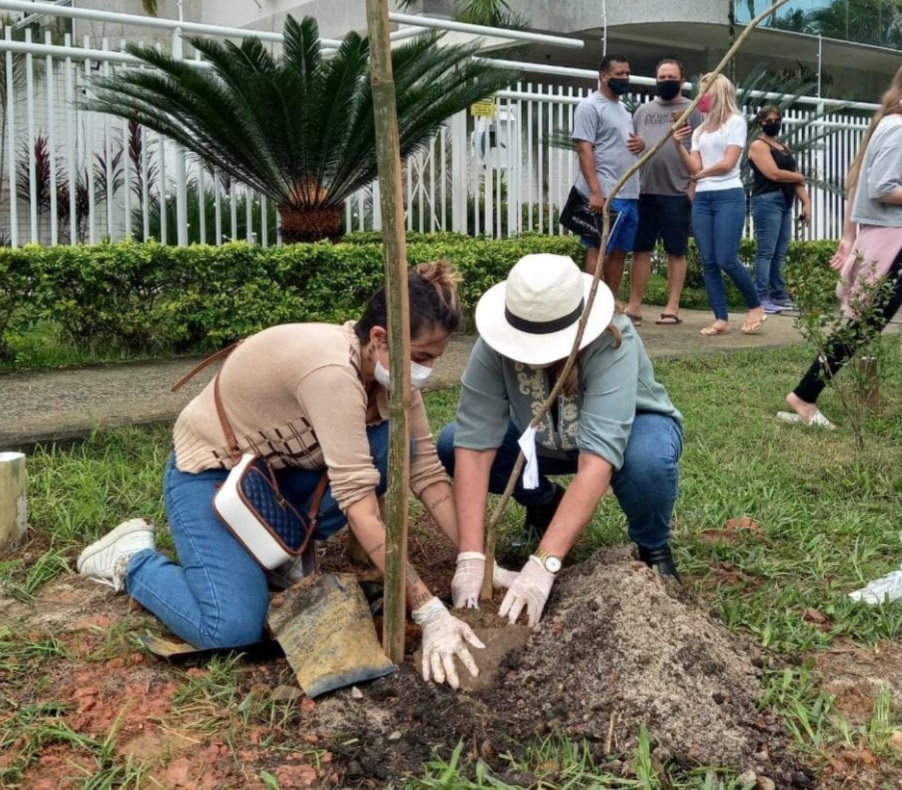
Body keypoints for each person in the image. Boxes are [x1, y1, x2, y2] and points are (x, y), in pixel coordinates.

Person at [77, 262, 484, 690]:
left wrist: (476, 559)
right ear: (379, 338)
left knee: (387, 444)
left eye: (434, 360)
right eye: (420, 358)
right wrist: (428, 609)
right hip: (212, 479)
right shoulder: (330, 374)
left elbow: (426, 473)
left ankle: (277, 554)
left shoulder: (386, 376)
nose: (427, 372)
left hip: (274, 477)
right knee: (229, 628)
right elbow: (358, 503)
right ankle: (132, 559)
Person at [437, 253, 684, 627]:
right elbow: (474, 442)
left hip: (630, 431)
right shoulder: (492, 346)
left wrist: (544, 564)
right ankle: (545, 502)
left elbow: (598, 458)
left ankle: (652, 546)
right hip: (540, 439)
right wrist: (470, 557)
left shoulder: (612, 339)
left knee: (647, 461)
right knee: (451, 442)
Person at [781, 66, 902, 428]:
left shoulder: (889, 123)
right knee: (862, 326)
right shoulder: (897, 128)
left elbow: (857, 185)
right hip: (891, 238)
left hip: (884, 236)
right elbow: (882, 186)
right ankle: (804, 396)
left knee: (862, 324)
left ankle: (809, 395)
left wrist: (849, 236)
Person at [674, 73, 766, 337]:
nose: (700, 100)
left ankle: (755, 306)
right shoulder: (701, 130)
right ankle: (720, 318)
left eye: (706, 94)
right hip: (703, 197)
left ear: (719, 95)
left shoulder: (735, 122)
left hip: (728, 194)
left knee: (726, 257)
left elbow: (728, 162)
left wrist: (701, 174)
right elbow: (694, 165)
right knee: (709, 261)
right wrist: (678, 145)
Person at [627, 57, 704, 326]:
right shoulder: (642, 111)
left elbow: (701, 151)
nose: (667, 82)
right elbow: (634, 146)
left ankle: (672, 308)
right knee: (641, 250)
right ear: (656, 80)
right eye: (662, 78)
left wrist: (692, 189)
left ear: (682, 81)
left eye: (672, 78)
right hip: (645, 192)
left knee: (676, 251)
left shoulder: (692, 110)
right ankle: (634, 306)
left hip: (677, 193)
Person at [571, 53, 645, 293]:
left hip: (630, 193)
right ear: (604, 76)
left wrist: (640, 145)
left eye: (627, 73)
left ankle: (609, 305)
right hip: (607, 192)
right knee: (598, 249)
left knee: (620, 251)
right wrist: (595, 192)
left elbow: (623, 145)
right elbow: (584, 150)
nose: (624, 78)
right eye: (619, 74)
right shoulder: (589, 106)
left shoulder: (623, 110)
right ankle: (590, 308)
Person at [748, 104, 811, 314]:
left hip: (785, 201)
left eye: (777, 120)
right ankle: (760, 295)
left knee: (780, 251)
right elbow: (773, 174)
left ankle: (778, 293)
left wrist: (806, 202)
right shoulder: (758, 145)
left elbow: (795, 180)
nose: (773, 124)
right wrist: (800, 176)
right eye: (769, 121)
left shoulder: (784, 147)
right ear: (760, 123)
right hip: (767, 200)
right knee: (766, 251)